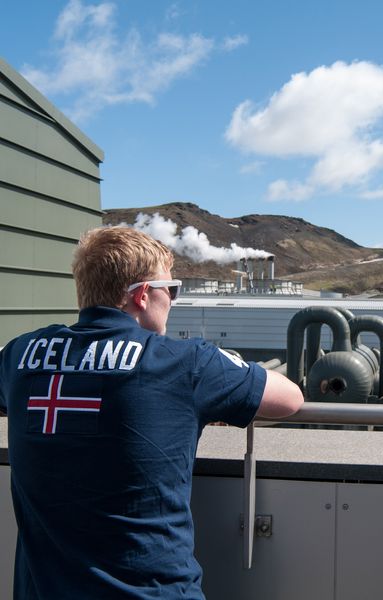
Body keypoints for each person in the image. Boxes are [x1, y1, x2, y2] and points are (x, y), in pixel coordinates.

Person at [0, 226, 304, 598]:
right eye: (171, 290)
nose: (173, 301)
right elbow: (290, 399)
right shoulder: (185, 361)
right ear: (142, 295)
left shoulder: (20, 355)